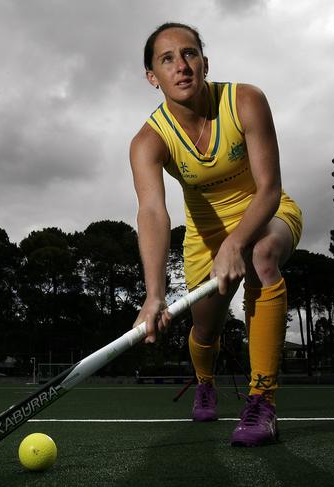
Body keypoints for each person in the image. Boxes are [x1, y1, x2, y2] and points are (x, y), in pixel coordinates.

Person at [130, 22, 303, 447]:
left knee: (263, 257)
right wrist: (154, 294)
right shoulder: (148, 141)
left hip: (267, 213)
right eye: (166, 59)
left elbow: (269, 188)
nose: (181, 66)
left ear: (205, 63)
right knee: (205, 330)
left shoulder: (245, 100)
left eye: (189, 54)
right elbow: (152, 212)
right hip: (203, 237)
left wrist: (236, 243)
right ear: (152, 77)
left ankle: (261, 401)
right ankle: (205, 380)